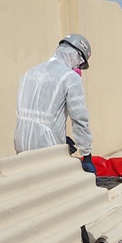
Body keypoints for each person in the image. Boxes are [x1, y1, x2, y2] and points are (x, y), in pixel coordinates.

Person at [14, 33, 97, 174]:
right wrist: (87, 155)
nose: (78, 67)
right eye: (80, 63)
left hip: (21, 146)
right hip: (48, 151)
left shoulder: (28, 74)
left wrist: (61, 138)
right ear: (76, 55)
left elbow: (37, 114)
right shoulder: (70, 78)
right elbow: (79, 119)